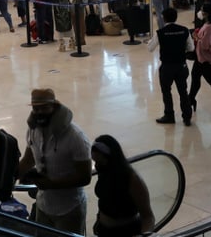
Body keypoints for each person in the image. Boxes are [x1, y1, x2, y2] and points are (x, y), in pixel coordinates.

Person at [18, 88, 92, 235]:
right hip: (43, 205)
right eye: (35, 108)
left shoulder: (75, 137)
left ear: (55, 107)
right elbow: (29, 158)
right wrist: (12, 175)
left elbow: (85, 177)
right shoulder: (33, 131)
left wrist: (52, 184)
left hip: (69, 208)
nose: (39, 112)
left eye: (44, 108)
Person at [91, 135, 155, 237]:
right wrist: (99, 218)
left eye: (99, 162)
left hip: (127, 232)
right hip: (104, 230)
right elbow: (104, 199)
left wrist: (144, 235)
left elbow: (148, 216)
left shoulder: (133, 179)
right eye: (95, 162)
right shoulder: (104, 170)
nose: (96, 166)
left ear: (111, 158)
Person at [147, 7, 194, 126]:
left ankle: (169, 115)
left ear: (164, 18)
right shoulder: (184, 30)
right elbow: (191, 48)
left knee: (166, 91)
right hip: (181, 66)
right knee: (183, 91)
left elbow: (150, 48)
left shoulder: (160, 33)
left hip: (167, 67)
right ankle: (187, 117)